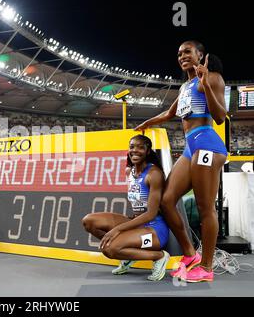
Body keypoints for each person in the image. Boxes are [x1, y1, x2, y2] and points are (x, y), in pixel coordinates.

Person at [134, 41, 227, 282]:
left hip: (207, 145)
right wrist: (147, 124)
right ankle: (190, 254)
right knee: (166, 199)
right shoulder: (185, 86)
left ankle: (206, 267)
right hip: (190, 147)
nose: (182, 56)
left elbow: (219, 117)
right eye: (179, 53)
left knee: (205, 207)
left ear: (200, 55)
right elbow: (169, 113)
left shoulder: (213, 78)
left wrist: (206, 85)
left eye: (187, 51)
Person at [83, 135, 170, 281]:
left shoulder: (154, 174)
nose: (135, 150)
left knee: (109, 249)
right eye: (132, 147)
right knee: (89, 221)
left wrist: (117, 229)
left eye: (140, 147)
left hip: (154, 229)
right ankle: (128, 255)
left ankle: (159, 256)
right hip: (137, 223)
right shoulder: (129, 172)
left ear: (148, 151)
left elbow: (151, 214)